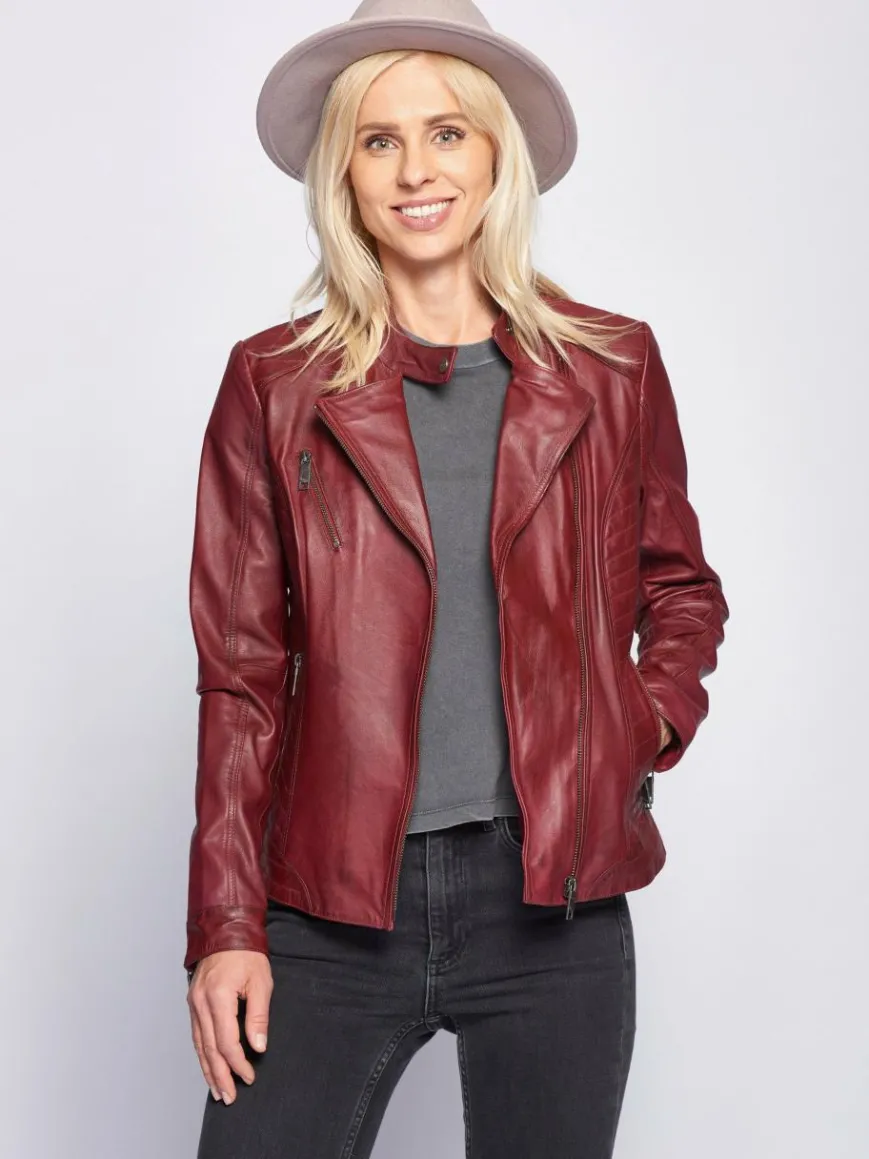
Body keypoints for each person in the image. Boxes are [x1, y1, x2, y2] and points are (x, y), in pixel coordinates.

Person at [183, 1, 729, 1155]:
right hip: (329, 900)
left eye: (445, 132)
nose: (415, 171)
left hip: (553, 905)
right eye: (378, 140)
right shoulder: (274, 387)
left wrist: (637, 723)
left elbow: (679, 587)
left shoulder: (609, 368)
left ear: (493, 154)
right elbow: (239, 674)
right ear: (343, 174)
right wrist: (225, 923)